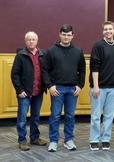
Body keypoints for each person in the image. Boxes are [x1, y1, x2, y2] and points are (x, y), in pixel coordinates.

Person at [42, 24, 86, 152]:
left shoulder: (78, 51)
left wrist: (80, 85)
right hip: (57, 89)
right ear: (60, 34)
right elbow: (45, 70)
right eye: (64, 34)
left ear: (72, 36)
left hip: (73, 89)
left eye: (69, 35)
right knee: (55, 116)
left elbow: (82, 69)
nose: (66, 37)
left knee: (70, 116)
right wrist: (49, 86)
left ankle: (68, 140)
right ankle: (54, 141)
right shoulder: (51, 51)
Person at [11, 31, 47, 151]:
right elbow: (14, 75)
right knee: (22, 118)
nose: (31, 41)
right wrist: (19, 90)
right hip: (24, 93)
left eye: (33, 39)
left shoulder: (42, 54)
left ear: (37, 41)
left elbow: (45, 72)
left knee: (35, 117)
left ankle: (35, 138)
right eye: (29, 39)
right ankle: (22, 140)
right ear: (25, 41)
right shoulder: (20, 55)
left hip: (38, 92)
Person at [89, 21, 114, 151]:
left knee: (109, 115)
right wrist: (96, 86)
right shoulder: (98, 45)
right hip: (99, 87)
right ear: (103, 32)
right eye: (105, 29)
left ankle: (106, 139)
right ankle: (94, 140)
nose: (108, 31)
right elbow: (94, 66)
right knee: (96, 116)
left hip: (113, 87)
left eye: (110, 29)